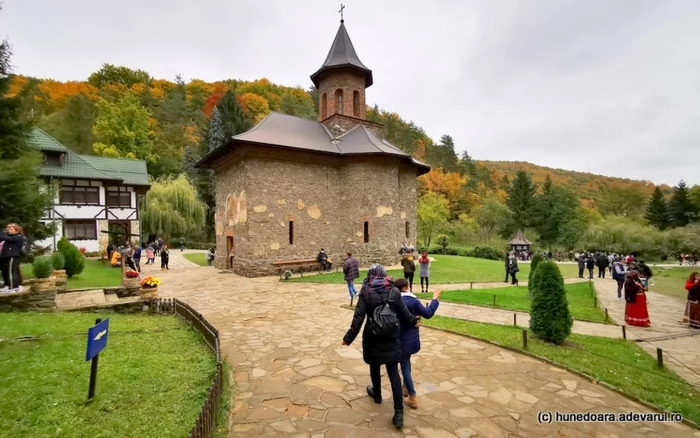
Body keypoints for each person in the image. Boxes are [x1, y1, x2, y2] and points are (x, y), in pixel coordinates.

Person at [342, 264, 418, 429]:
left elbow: (359, 317)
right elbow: (405, 314)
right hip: (391, 335)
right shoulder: (394, 291)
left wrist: (348, 338)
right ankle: (399, 413)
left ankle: (377, 394)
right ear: (384, 275)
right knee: (393, 372)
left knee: (375, 366)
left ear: (370, 275)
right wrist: (415, 321)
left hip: (373, 335)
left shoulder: (366, 292)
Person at [397, 278, 440, 409]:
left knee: (405, 363)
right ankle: (411, 395)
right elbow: (428, 313)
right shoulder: (413, 302)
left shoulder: (394, 301)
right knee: (405, 364)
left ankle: (408, 390)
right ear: (405, 288)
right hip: (409, 339)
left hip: (398, 338)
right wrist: (435, 300)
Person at [0, 223, 25, 293]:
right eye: (8, 229)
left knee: (11, 272)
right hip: (6, 256)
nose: (8, 230)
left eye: (11, 229)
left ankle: (12, 287)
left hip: (12, 256)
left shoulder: (17, 237)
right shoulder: (9, 236)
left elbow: (5, 237)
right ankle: (9, 286)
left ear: (16, 231)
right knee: (7, 272)